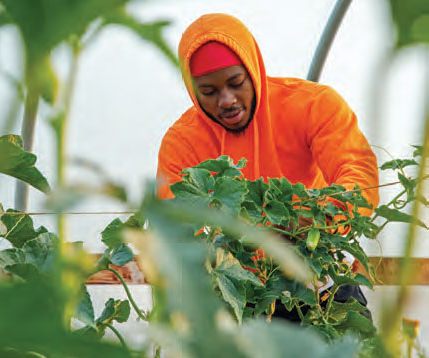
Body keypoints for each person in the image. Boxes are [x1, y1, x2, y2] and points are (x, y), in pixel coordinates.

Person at [156, 13, 378, 320]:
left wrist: (307, 222)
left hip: (320, 286)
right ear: (193, 90)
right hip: (242, 298)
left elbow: (358, 176)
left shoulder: (313, 105)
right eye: (208, 92)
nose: (227, 100)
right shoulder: (183, 142)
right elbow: (174, 227)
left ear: (254, 69)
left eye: (236, 83)